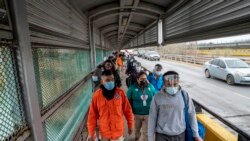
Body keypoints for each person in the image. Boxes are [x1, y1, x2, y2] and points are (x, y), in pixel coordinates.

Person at [148, 71, 203, 141]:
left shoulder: (185, 95)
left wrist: (196, 135)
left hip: (180, 135)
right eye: (168, 84)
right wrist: (150, 138)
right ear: (164, 83)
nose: (172, 86)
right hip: (162, 135)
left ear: (178, 82)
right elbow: (152, 118)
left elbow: (192, 114)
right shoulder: (157, 97)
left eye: (175, 84)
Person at [87, 70, 134, 141]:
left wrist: (130, 125)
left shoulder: (120, 93)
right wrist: (91, 133)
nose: (111, 82)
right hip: (104, 133)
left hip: (118, 133)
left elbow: (128, 110)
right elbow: (92, 116)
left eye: (112, 80)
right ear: (102, 82)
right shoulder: (97, 96)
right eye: (107, 80)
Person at [127, 71, 156, 141]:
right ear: (137, 79)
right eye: (142, 79)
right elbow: (127, 101)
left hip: (148, 114)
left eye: (145, 79)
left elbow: (155, 98)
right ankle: (137, 137)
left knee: (146, 132)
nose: (144, 80)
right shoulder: (132, 88)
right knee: (137, 130)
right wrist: (130, 112)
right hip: (137, 114)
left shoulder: (150, 87)